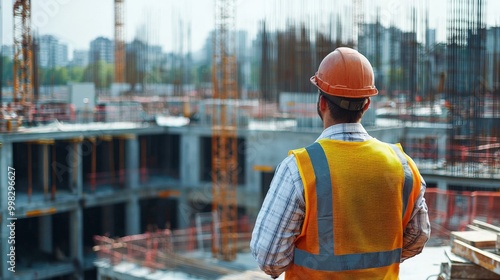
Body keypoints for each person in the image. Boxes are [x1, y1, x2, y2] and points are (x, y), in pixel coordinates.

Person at [250, 47, 431, 279]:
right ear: (366, 105)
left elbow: (269, 260)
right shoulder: (402, 166)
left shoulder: (299, 169)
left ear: (322, 103)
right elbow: (417, 238)